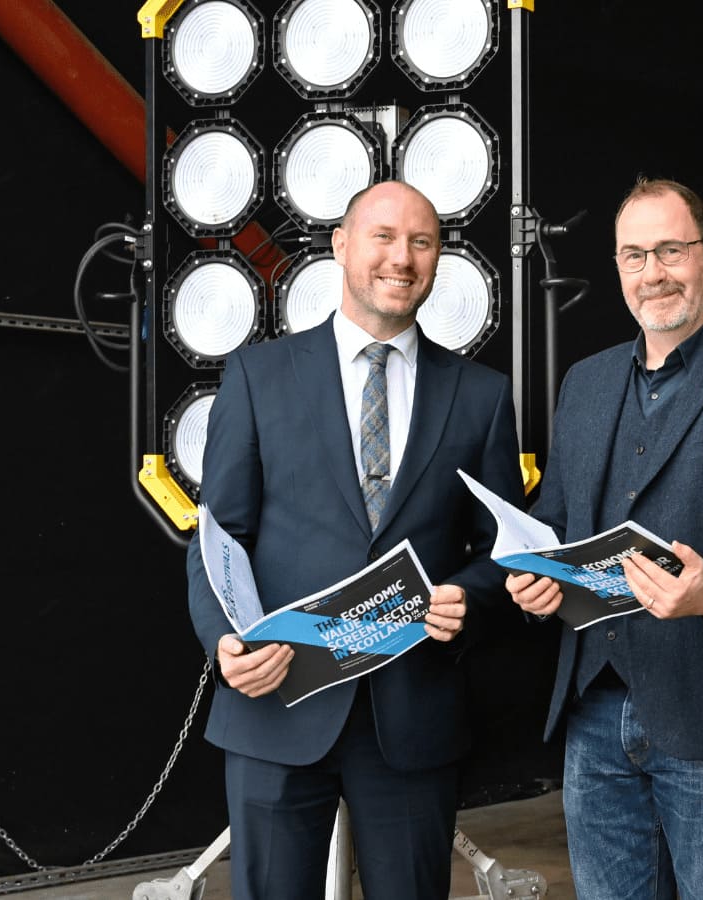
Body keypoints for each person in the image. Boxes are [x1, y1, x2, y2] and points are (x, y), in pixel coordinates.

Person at [185, 180, 527, 899]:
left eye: (422, 241)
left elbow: (506, 553)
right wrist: (224, 642)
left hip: (411, 718)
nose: (400, 257)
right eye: (382, 236)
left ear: (439, 260)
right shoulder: (257, 376)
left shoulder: (482, 396)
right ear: (341, 245)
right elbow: (218, 540)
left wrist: (469, 596)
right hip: (276, 705)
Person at [506, 177, 703, 899]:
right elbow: (557, 522)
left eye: (669, 250)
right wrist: (535, 582)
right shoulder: (585, 384)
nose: (651, 273)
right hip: (592, 710)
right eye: (633, 256)